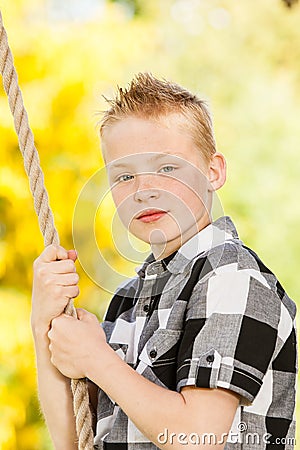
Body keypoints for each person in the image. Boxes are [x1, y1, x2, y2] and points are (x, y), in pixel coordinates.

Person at [31, 73, 297, 450]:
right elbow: (74, 441)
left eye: (167, 168)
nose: (144, 190)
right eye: (124, 176)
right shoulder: (127, 299)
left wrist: (97, 359)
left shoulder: (232, 277)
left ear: (213, 171)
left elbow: (199, 439)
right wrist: (43, 323)